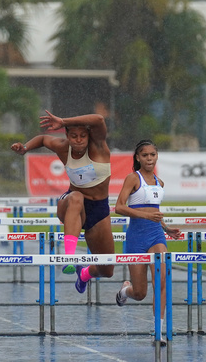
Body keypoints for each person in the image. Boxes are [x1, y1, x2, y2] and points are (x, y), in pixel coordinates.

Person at [10, 109, 114, 293]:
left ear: (89, 135)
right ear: (67, 136)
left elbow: (98, 118)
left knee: (107, 270)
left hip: (98, 209)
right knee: (77, 197)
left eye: (83, 135)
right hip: (70, 204)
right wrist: (25, 148)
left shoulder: (98, 147)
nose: (79, 140)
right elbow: (42, 139)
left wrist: (63, 119)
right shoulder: (62, 147)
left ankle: (83, 274)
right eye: (74, 136)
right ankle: (69, 258)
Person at [113, 140, 182, 313]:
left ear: (157, 156)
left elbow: (154, 212)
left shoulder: (160, 183)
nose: (149, 159)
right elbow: (119, 207)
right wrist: (146, 216)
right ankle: (125, 291)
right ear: (138, 157)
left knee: (161, 280)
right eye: (145, 155)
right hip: (136, 238)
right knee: (140, 292)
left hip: (156, 236)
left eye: (153, 155)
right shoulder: (133, 178)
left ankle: (159, 329)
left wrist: (166, 229)